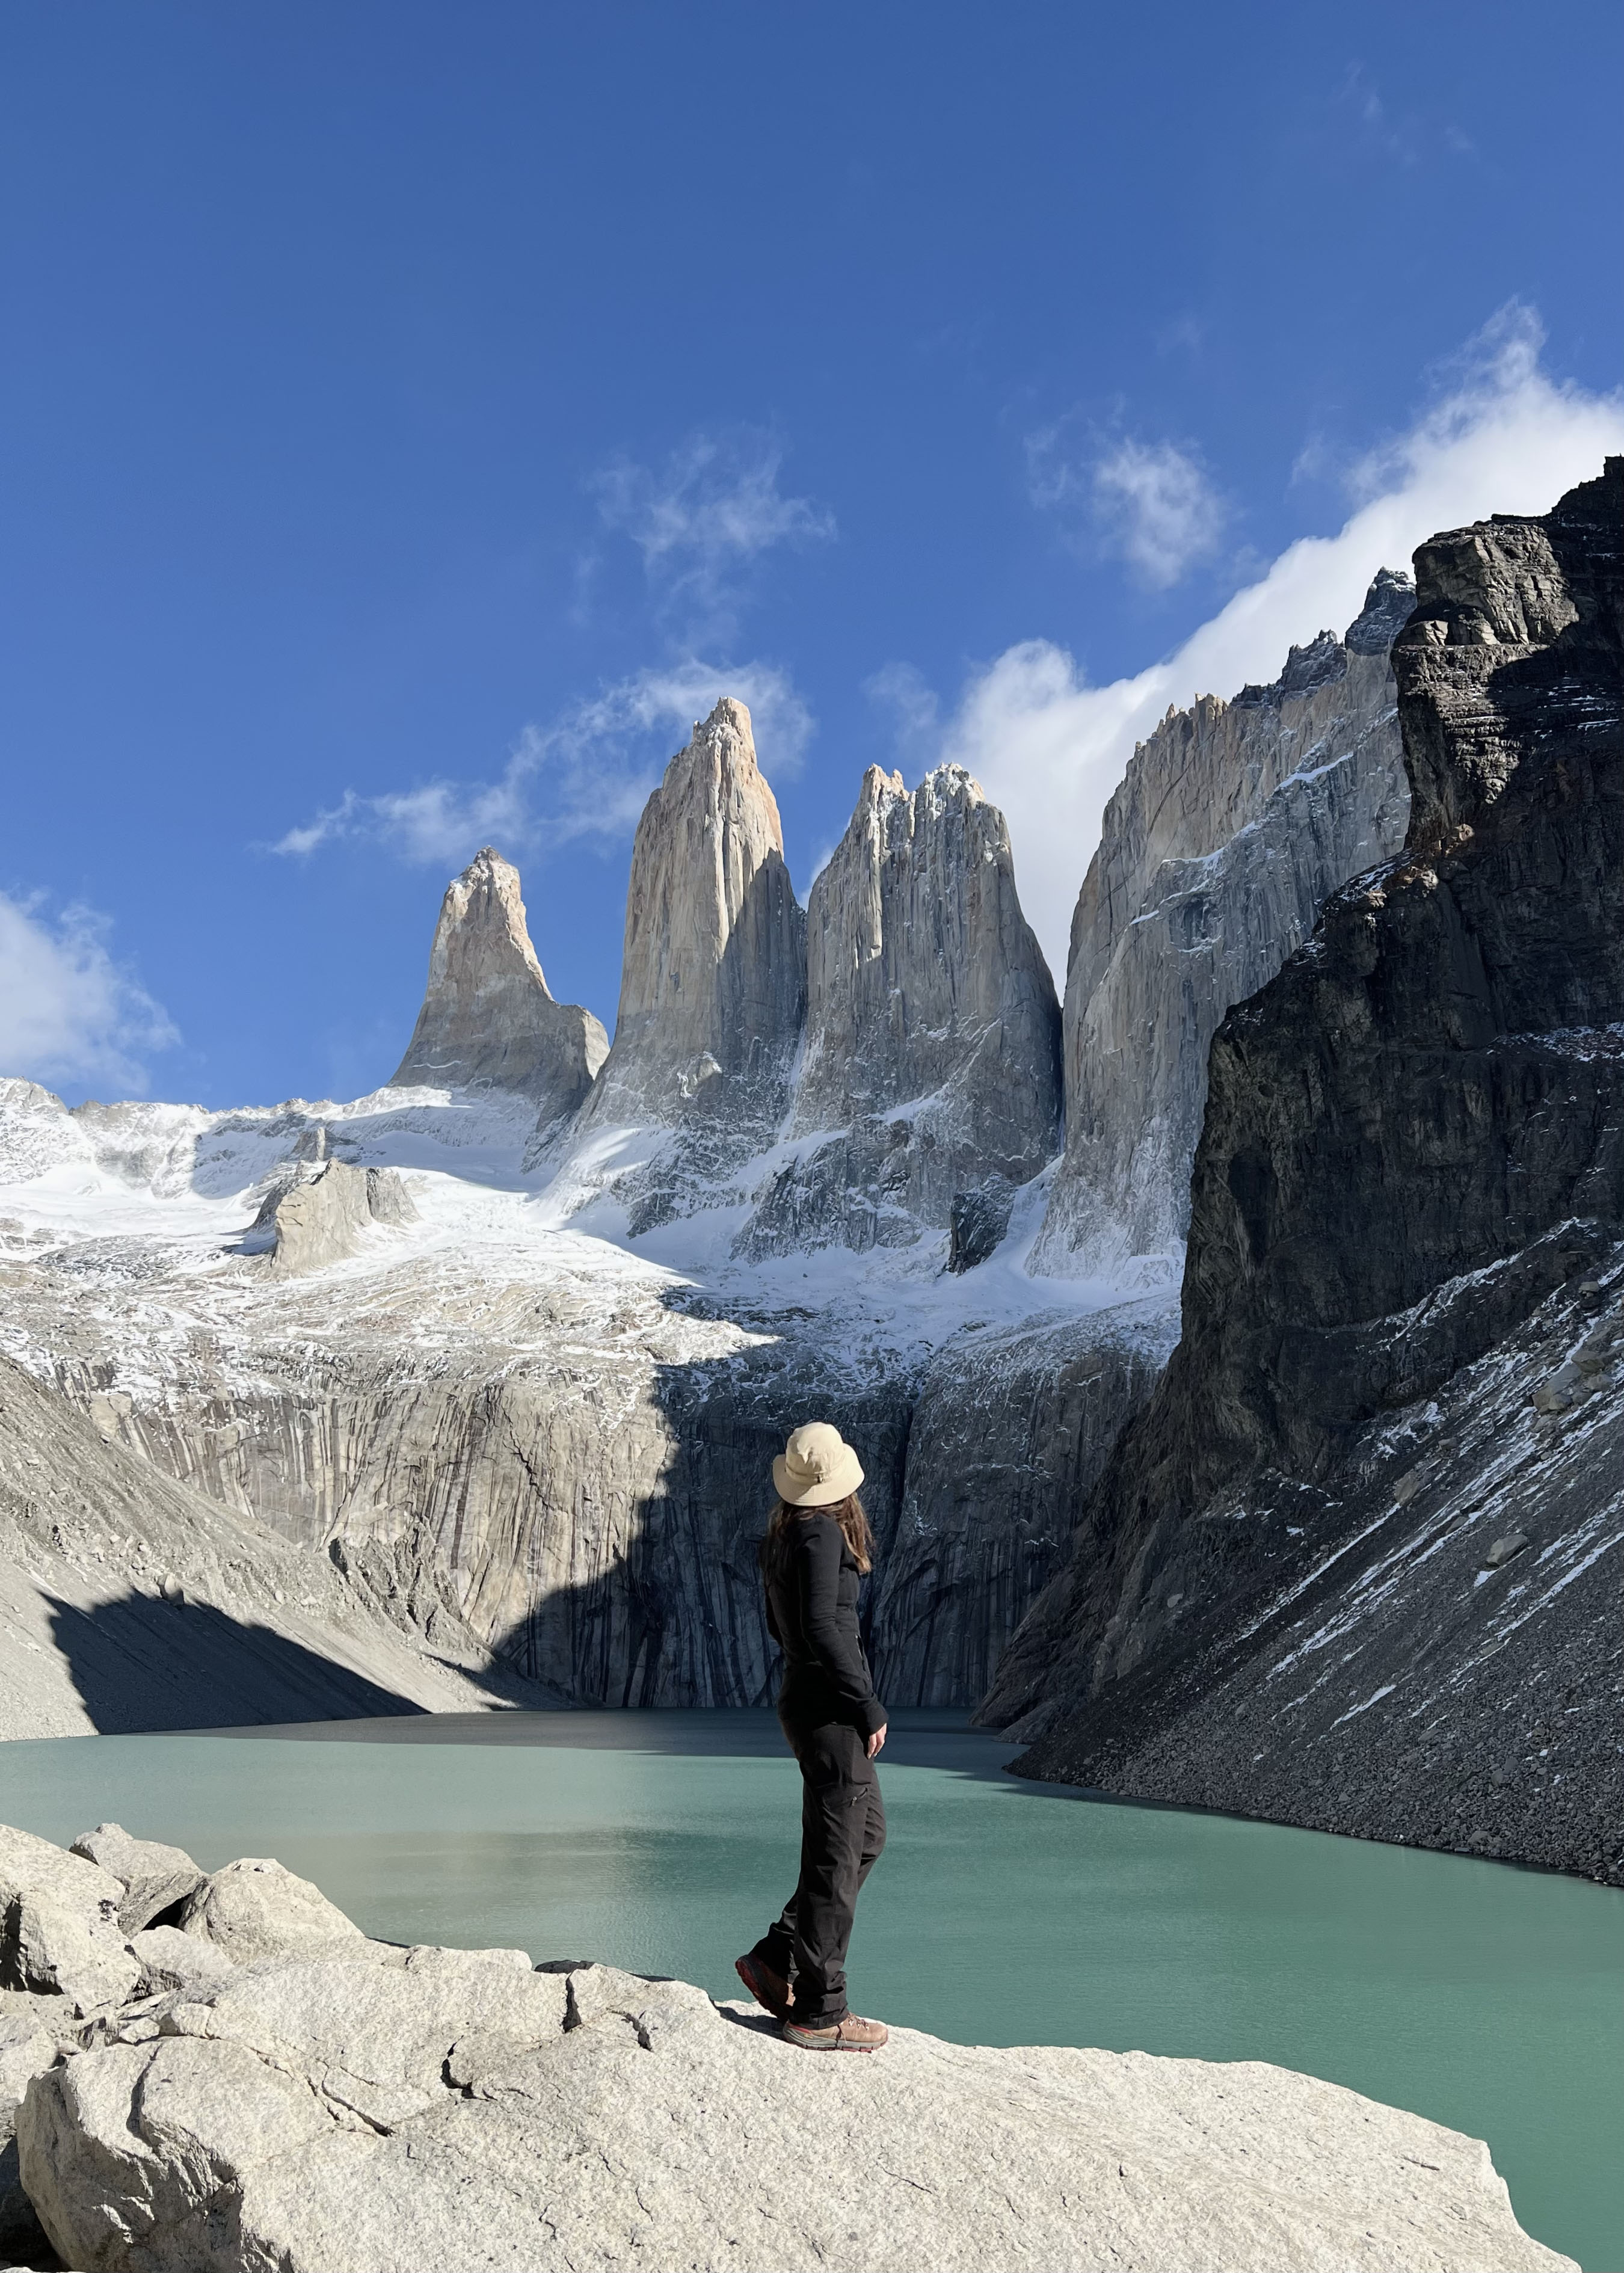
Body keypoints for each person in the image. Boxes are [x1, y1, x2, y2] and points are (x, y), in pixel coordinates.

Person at [735, 1421, 890, 2052]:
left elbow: (784, 1627)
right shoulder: (823, 1533)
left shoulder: (784, 1537)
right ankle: (821, 2012)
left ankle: (777, 1955)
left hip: (805, 1700)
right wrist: (866, 1704)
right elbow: (825, 1626)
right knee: (836, 1854)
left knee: (864, 1836)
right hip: (830, 1711)